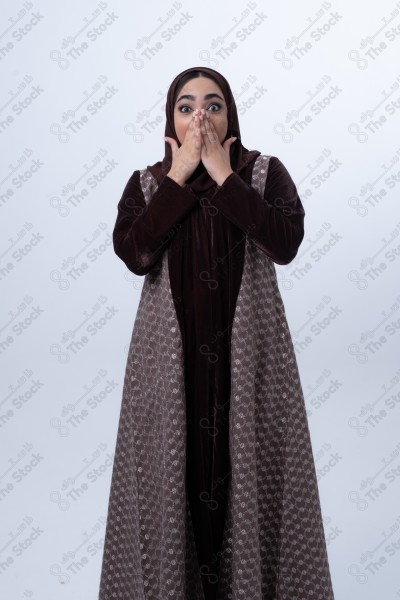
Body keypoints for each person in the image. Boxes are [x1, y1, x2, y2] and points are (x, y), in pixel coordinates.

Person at [98, 66, 335, 600]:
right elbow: (135, 254)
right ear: (170, 119)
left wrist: (224, 176)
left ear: (231, 115)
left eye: (212, 104)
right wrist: (179, 176)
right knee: (169, 481)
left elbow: (285, 243)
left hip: (252, 362)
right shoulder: (147, 182)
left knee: (251, 478)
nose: (199, 116)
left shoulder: (262, 173)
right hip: (167, 369)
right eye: (186, 107)